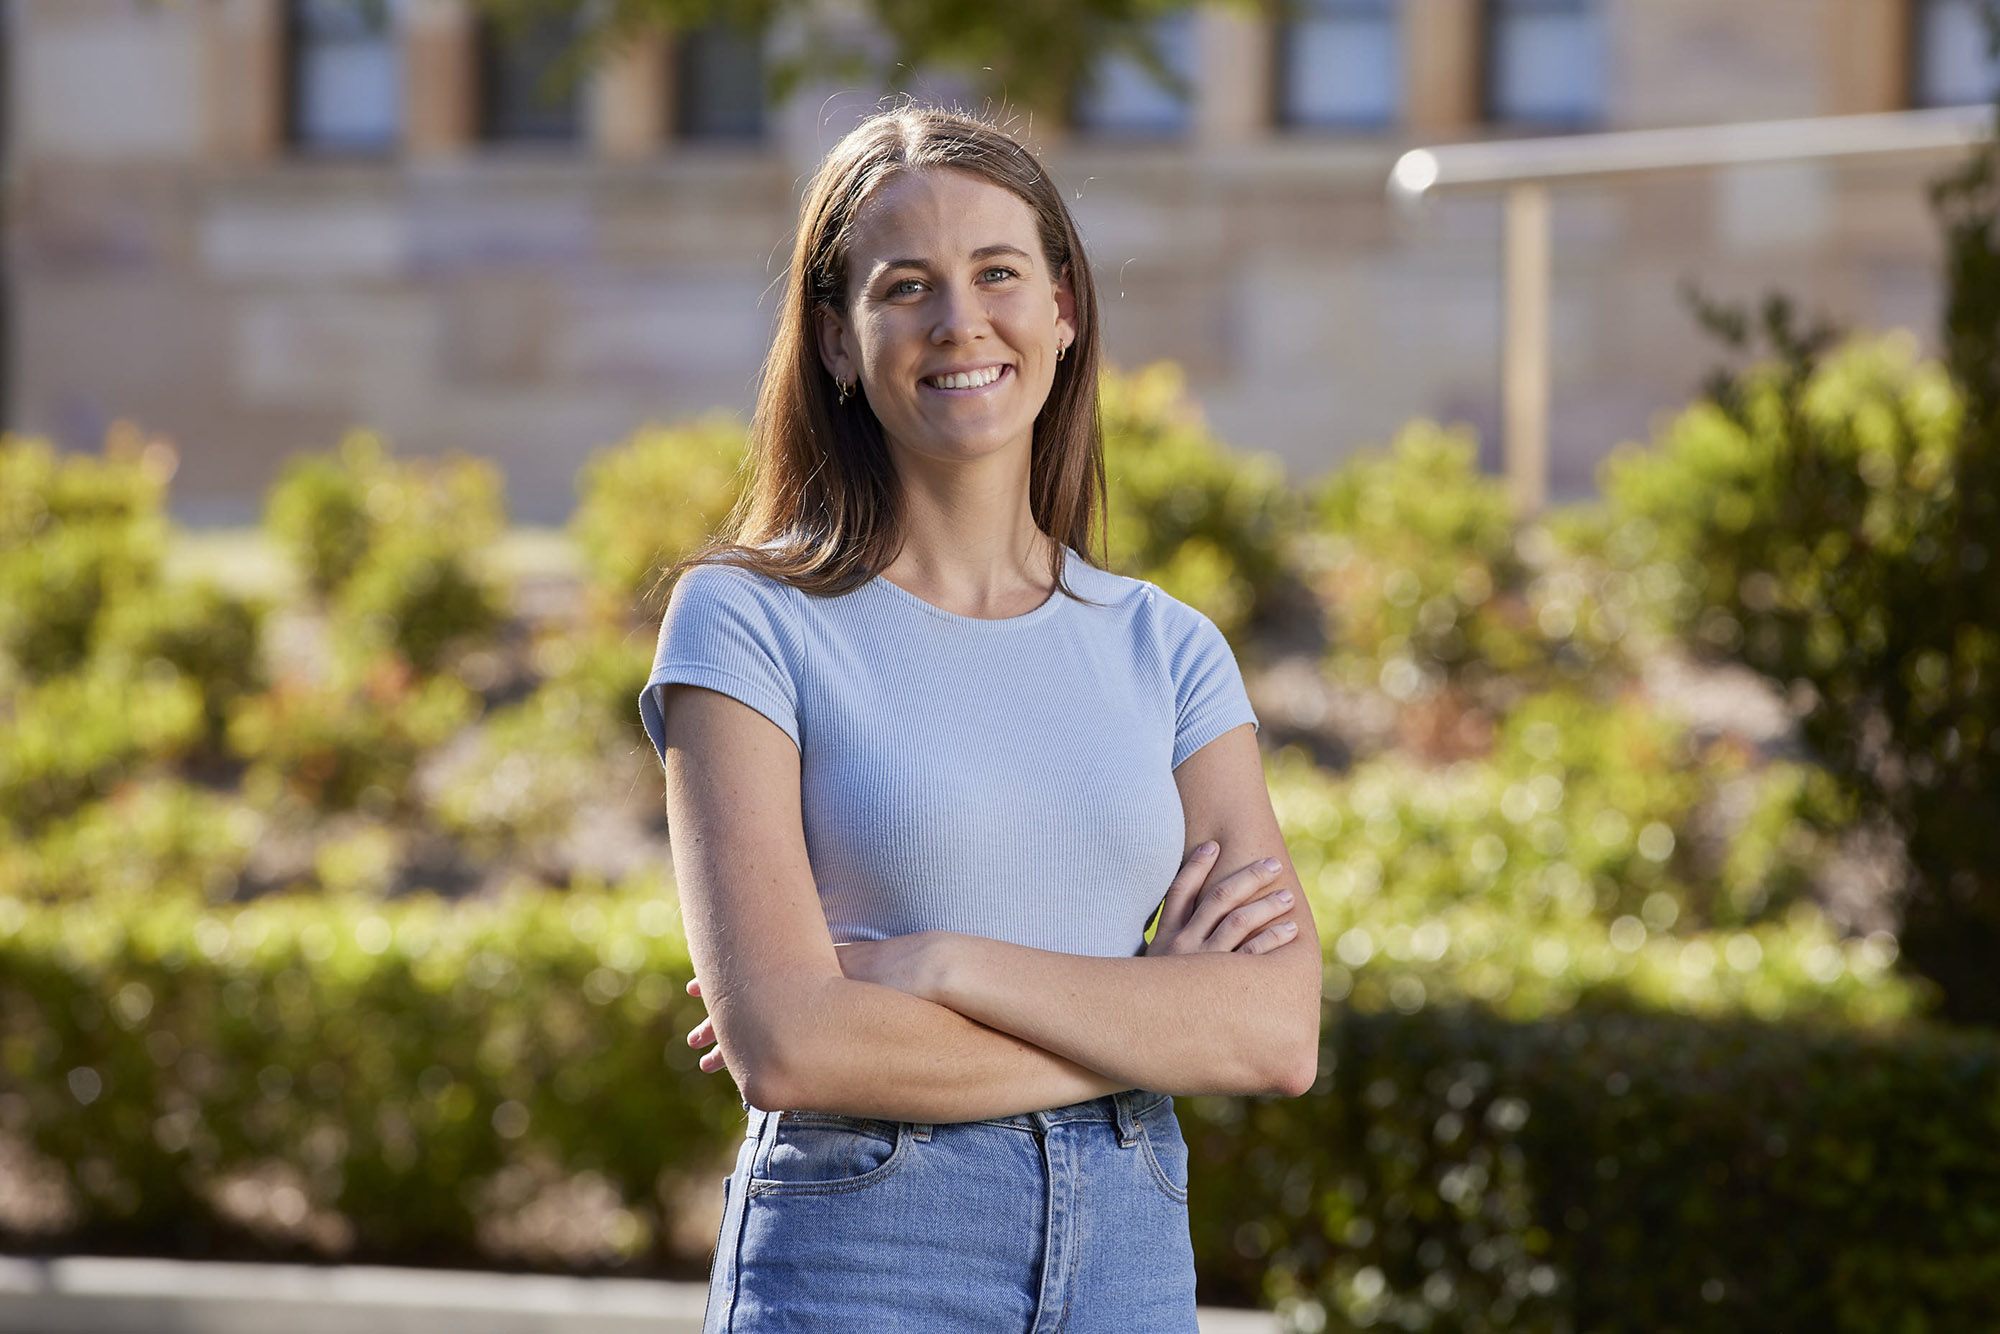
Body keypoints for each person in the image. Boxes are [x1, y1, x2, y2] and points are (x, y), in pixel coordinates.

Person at [637, 105, 1322, 1334]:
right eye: (905, 286)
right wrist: (1150, 1017)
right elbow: (790, 1046)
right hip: (866, 1249)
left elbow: (1272, 1028)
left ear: (1061, 309)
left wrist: (945, 964)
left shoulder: (1164, 646)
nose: (960, 319)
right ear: (840, 345)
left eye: (996, 271)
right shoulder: (746, 619)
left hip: (1129, 1254)